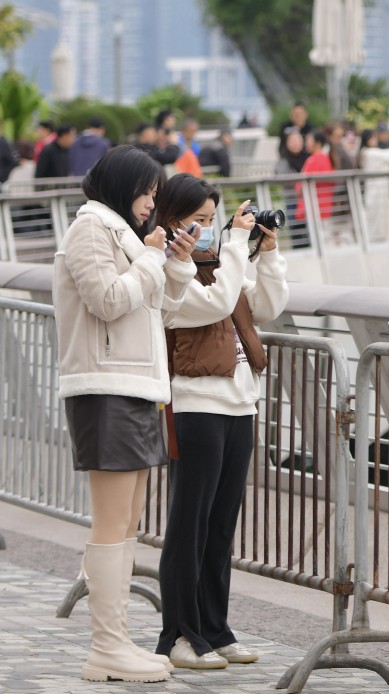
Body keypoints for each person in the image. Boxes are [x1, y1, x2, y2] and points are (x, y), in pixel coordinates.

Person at [52, 145, 198, 683]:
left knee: (128, 519)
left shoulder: (122, 234)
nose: (150, 203)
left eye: (155, 195)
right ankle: (106, 647)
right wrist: (154, 258)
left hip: (133, 385)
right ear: (121, 185)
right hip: (105, 386)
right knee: (112, 522)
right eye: (147, 192)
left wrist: (175, 260)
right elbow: (109, 300)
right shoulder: (91, 228)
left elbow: (161, 307)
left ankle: (116, 640)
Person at [154, 174, 288, 669]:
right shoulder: (170, 269)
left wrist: (266, 253)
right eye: (200, 221)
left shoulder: (222, 262)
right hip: (194, 406)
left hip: (239, 403)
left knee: (220, 525)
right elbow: (213, 302)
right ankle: (179, 636)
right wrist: (235, 244)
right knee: (189, 524)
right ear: (171, 221)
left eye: (213, 219)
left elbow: (269, 306)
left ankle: (215, 628)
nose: (208, 229)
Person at [295, 131, 335, 238]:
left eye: (309, 140)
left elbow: (301, 184)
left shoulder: (315, 159)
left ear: (317, 143)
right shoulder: (325, 158)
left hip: (315, 207)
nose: (306, 143)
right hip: (323, 205)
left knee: (318, 237)